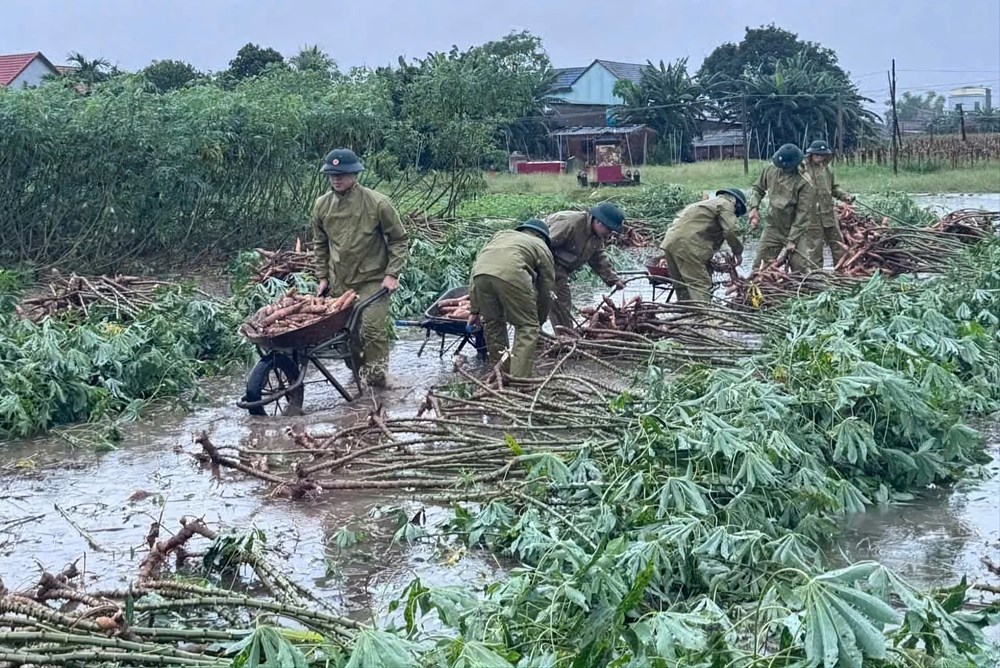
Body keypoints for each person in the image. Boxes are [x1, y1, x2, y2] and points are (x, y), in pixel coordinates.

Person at [311, 148, 409, 388]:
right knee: (349, 336)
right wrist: (322, 277)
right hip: (341, 283)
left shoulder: (377, 203)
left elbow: (399, 239)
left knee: (372, 329)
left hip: (373, 280)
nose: (337, 178)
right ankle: (358, 375)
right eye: (332, 174)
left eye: (342, 174)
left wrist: (392, 273)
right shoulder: (322, 205)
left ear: (355, 174)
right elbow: (320, 243)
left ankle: (378, 380)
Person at [466, 219, 555, 379]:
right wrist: (538, 322)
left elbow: (475, 270)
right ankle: (518, 381)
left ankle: (501, 373)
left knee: (493, 324)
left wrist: (475, 309)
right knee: (527, 327)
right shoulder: (541, 246)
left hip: (480, 275)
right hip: (512, 274)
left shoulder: (501, 236)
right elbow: (546, 288)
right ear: (543, 237)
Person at [543, 202, 626, 332]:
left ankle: (560, 337)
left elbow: (598, 257)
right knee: (559, 303)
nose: (610, 234)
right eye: (609, 229)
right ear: (599, 222)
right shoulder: (570, 224)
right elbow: (542, 244)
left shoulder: (597, 236)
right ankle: (565, 338)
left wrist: (613, 279)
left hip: (561, 267)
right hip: (545, 262)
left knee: (558, 304)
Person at [659, 189, 746, 304]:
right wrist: (738, 252)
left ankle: (686, 313)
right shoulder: (726, 204)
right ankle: (705, 315)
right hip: (687, 245)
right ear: (737, 204)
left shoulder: (706, 204)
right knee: (700, 283)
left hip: (670, 241)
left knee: (681, 283)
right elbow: (730, 230)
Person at [787, 139, 856, 272]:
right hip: (812, 215)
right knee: (815, 247)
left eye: (822, 155)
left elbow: (834, 188)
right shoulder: (803, 169)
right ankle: (817, 275)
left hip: (828, 212)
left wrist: (845, 196)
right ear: (811, 155)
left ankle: (842, 271)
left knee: (838, 243)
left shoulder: (827, 169)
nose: (820, 158)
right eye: (817, 155)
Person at [747, 144, 805, 270]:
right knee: (760, 267)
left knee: (800, 269)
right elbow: (757, 189)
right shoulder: (770, 170)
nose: (783, 169)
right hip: (773, 227)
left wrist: (792, 239)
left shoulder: (804, 180)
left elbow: (803, 213)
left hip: (797, 230)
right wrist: (754, 208)